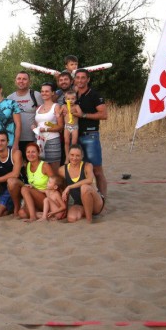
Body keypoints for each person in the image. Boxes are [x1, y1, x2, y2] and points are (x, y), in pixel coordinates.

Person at [74, 68, 108, 200]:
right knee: (79, 170)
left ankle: (102, 199)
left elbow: (104, 115)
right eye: (78, 77)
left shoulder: (94, 95)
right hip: (75, 137)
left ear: (88, 79)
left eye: (83, 77)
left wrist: (83, 115)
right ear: (74, 79)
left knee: (97, 171)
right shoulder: (73, 95)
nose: (80, 80)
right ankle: (84, 199)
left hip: (90, 135)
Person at [58, 144, 105, 223]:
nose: (74, 158)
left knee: (84, 188)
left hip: (95, 203)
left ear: (82, 156)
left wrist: (69, 187)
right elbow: (63, 191)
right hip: (79, 203)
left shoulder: (87, 166)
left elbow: (89, 180)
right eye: (72, 155)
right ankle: (86, 211)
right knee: (71, 218)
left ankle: (89, 220)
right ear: (68, 155)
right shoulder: (62, 170)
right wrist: (64, 208)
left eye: (77, 155)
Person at [0, 131, 23, 218]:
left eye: (2, 140)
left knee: (11, 182)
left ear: (8, 142)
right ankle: (8, 208)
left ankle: (17, 206)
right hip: (3, 189)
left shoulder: (15, 153)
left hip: (17, 187)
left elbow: (15, 174)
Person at [6, 71, 41, 157]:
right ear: (15, 81)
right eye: (19, 79)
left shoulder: (36, 95)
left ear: (29, 81)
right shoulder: (10, 98)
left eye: (24, 79)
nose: (21, 81)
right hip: (14, 139)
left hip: (33, 138)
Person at [18, 143, 55, 222]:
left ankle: (33, 217)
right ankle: (42, 215)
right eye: (28, 152)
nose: (30, 154)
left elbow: (55, 184)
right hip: (35, 197)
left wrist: (37, 190)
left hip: (46, 198)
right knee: (22, 213)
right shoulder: (28, 165)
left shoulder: (45, 166)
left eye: (33, 152)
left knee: (24, 189)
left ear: (38, 153)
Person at [33, 83, 63, 172]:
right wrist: (34, 127)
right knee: (41, 169)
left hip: (52, 140)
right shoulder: (38, 108)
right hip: (39, 141)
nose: (44, 93)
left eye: (47, 91)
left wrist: (45, 129)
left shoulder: (56, 106)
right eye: (42, 91)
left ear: (52, 93)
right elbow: (38, 124)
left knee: (54, 170)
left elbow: (60, 126)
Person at [60, 90, 79, 158]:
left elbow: (80, 114)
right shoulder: (63, 106)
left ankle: (73, 156)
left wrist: (74, 113)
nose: (70, 101)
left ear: (75, 99)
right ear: (65, 100)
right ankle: (67, 157)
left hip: (74, 127)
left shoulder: (76, 106)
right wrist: (62, 113)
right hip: (67, 127)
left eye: (72, 99)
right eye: (68, 99)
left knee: (74, 143)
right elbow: (59, 114)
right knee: (66, 142)